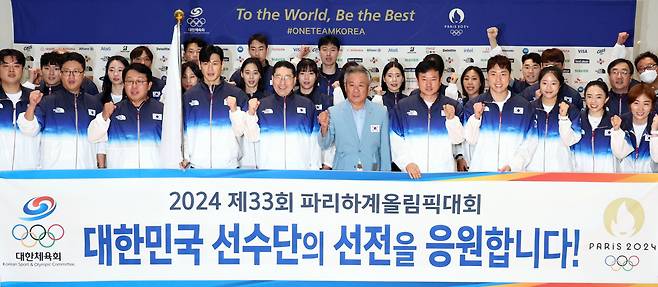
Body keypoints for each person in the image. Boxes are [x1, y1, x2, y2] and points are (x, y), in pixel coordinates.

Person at [18, 52, 103, 169]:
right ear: (61, 74)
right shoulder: (47, 102)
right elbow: (29, 130)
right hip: (54, 174)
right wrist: (32, 106)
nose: (71, 76)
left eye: (76, 72)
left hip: (86, 174)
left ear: (83, 74)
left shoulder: (94, 103)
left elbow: (101, 140)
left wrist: (101, 167)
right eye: (67, 71)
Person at [390, 60, 464, 178]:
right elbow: (395, 139)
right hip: (412, 174)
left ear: (440, 81)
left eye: (433, 79)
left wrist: (451, 120)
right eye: (424, 79)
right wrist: (406, 163)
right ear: (417, 81)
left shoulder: (452, 105)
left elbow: (458, 140)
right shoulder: (403, 106)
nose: (428, 84)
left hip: (444, 175)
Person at [463, 55, 536, 172]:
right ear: (487, 76)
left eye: (503, 74)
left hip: (512, 175)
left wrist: (514, 166)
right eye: (493, 74)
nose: (498, 79)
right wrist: (476, 118)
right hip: (480, 173)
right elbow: (470, 140)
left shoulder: (524, 106)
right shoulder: (473, 105)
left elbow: (530, 142)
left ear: (509, 76)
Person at [244, 61, 320, 170]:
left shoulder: (308, 105)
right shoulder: (261, 105)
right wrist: (251, 114)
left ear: (294, 80)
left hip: (300, 173)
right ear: (272, 79)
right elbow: (251, 137)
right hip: (268, 173)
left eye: (287, 77)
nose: (282, 82)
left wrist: (314, 170)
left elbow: (315, 144)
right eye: (278, 77)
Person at [181, 45, 249, 169]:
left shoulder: (237, 94)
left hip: (229, 168)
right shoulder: (188, 96)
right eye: (206, 63)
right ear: (200, 65)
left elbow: (245, 132)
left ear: (222, 65)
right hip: (197, 168)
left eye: (215, 63)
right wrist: (185, 157)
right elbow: (182, 132)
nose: (210, 68)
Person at [88, 63, 163, 168]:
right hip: (120, 176)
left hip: (154, 175)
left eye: (140, 81)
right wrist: (104, 117)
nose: (134, 86)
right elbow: (93, 137)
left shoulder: (162, 110)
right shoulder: (113, 110)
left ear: (149, 85)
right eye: (129, 81)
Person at [319, 64, 391, 171]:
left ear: (368, 87)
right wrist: (324, 128)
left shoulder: (381, 112)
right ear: (345, 86)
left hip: (372, 172)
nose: (356, 90)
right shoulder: (334, 112)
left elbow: (385, 150)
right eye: (352, 85)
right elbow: (325, 144)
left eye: (361, 85)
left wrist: (386, 177)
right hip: (343, 173)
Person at [526, 66, 580, 172]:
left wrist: (564, 119)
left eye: (553, 83)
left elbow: (571, 141)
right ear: (539, 84)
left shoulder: (570, 109)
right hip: (532, 170)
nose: (549, 88)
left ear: (560, 85)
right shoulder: (529, 108)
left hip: (561, 170)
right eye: (545, 83)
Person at [0, 49, 39, 170]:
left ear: (23, 69)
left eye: (16, 66)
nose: (11, 70)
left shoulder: (36, 98)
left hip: (28, 173)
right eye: (6, 66)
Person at [566, 80, 617, 173]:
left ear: (606, 99)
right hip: (580, 177)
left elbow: (621, 152)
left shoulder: (614, 121)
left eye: (598, 97)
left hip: (607, 178)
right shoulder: (576, 119)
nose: (593, 101)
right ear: (584, 98)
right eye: (589, 96)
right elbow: (568, 142)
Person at [611, 83, 658, 173]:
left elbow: (656, 158)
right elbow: (619, 154)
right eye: (636, 103)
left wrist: (655, 132)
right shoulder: (621, 123)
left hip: (651, 182)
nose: (640, 109)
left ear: (652, 106)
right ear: (630, 104)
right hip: (624, 181)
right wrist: (616, 130)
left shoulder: (656, 124)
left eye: (646, 104)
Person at [486, 27, 541, 94]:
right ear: (522, 69)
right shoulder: (516, 85)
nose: (530, 71)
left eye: (535, 67)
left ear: (541, 68)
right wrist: (492, 39)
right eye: (527, 67)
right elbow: (499, 63)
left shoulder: (546, 87)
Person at [235, 57, 265, 169]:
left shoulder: (267, 98)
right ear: (242, 74)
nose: (251, 77)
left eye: (255, 73)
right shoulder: (236, 97)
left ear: (260, 75)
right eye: (247, 73)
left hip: (263, 155)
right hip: (242, 157)